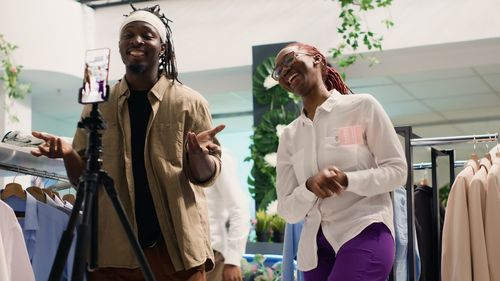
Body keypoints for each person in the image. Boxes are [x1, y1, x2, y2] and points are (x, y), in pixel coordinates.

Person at [30, 4, 225, 281]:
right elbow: (81, 181)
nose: (136, 40)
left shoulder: (189, 102)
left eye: (147, 35)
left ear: (163, 48)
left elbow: (206, 176)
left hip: (176, 252)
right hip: (114, 253)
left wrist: (199, 158)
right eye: (128, 35)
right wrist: (68, 154)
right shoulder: (98, 104)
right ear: (120, 46)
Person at [273, 42, 407, 281]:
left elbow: (397, 171)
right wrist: (309, 188)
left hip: (365, 229)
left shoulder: (362, 107)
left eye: (289, 60)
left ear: (318, 60)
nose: (284, 71)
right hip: (315, 249)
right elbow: (287, 210)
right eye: (278, 71)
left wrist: (347, 180)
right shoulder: (290, 136)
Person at [204, 147, 250, 281]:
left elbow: (239, 208)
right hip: (183, 257)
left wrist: (232, 261)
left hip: (213, 257)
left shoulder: (217, 156)